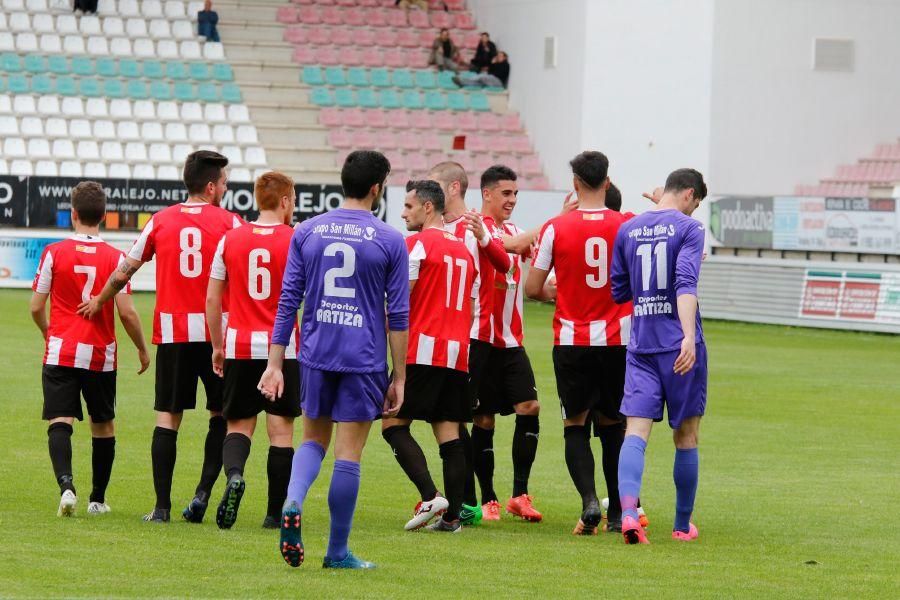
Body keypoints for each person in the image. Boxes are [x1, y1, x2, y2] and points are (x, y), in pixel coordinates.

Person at [259, 150, 408, 569]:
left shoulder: (307, 230)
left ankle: (293, 499)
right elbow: (397, 315)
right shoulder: (389, 239)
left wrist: (275, 362)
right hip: (362, 359)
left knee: (311, 440)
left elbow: (288, 300)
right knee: (349, 454)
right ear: (377, 188)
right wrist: (399, 375)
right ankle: (337, 552)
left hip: (316, 354)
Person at [78, 151, 242, 524]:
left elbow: (126, 269)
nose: (226, 189)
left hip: (173, 333)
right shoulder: (232, 223)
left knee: (168, 417)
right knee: (222, 415)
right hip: (219, 334)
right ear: (212, 186)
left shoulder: (160, 221)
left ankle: (163, 508)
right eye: (225, 184)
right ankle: (202, 494)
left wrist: (99, 299)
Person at [524, 151, 634, 535]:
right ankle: (618, 514)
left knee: (575, 425)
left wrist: (561, 292)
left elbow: (532, 287)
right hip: (618, 341)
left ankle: (589, 500)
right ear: (607, 182)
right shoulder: (627, 224)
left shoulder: (556, 227)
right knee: (613, 426)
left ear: (574, 183)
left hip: (572, 340)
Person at [31, 181, 150, 517]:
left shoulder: (54, 253)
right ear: (104, 215)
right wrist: (142, 348)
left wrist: (47, 332)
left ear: (73, 214)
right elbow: (127, 313)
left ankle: (67, 487)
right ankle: (97, 499)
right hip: (100, 354)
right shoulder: (118, 258)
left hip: (61, 349)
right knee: (103, 425)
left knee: (59, 420)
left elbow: (36, 306)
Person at [610, 168, 708, 544]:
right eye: (695, 205)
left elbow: (619, 291)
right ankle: (682, 526)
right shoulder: (689, 229)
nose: (693, 213)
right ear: (688, 195)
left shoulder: (629, 228)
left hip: (641, 345)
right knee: (686, 435)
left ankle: (630, 514)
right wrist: (686, 335)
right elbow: (685, 281)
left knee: (635, 432)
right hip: (679, 346)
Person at [206, 172, 300, 530]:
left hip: (240, 346)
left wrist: (218, 345)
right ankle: (274, 514)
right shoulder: (295, 240)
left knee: (238, 425)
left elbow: (213, 299)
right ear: (286, 201)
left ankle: (234, 476)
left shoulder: (231, 239)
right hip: (284, 348)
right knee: (281, 432)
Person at [382, 180, 477, 533]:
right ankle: (452, 519)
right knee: (449, 433)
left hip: (423, 350)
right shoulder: (465, 253)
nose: (403, 213)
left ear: (427, 208)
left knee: (392, 424)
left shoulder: (417, 245)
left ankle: (430, 495)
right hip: (457, 353)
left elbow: (399, 300)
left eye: (408, 207)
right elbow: (469, 304)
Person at [427, 161, 512, 525]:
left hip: (473, 335)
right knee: (454, 418)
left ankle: (469, 502)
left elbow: (504, 264)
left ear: (454, 188)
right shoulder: (437, 228)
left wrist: (483, 237)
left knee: (458, 417)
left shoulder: (476, 225)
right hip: (445, 336)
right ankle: (468, 500)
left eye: (435, 186)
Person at [469, 165, 543, 523]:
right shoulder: (472, 229)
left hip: (512, 341)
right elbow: (499, 252)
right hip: (479, 338)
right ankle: (488, 499)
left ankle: (519, 494)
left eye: (516, 194)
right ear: (486, 194)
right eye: (505, 194)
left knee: (530, 406)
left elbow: (538, 261)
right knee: (483, 417)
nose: (512, 200)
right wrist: (555, 220)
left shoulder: (515, 231)